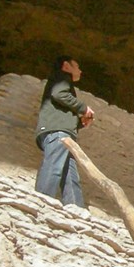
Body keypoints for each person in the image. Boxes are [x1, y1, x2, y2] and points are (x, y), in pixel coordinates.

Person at [34, 56, 96, 207]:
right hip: (58, 132)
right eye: (77, 66)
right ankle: (41, 201)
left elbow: (63, 113)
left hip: (63, 132)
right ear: (66, 66)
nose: (80, 70)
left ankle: (76, 208)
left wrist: (80, 123)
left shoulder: (64, 83)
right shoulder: (61, 78)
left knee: (70, 173)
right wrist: (83, 108)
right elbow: (59, 94)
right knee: (54, 166)